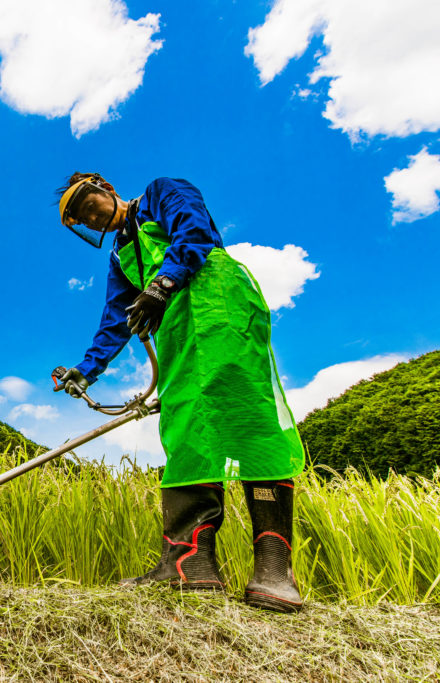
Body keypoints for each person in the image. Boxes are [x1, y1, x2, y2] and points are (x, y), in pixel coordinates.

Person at [55, 172, 305, 613]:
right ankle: (190, 564)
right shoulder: (119, 256)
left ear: (106, 189)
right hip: (178, 336)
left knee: (249, 420)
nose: (94, 219)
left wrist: (163, 283)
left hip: (219, 310)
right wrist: (85, 370)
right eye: (85, 221)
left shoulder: (160, 192)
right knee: (185, 433)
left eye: (92, 207)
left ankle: (273, 570)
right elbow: (116, 319)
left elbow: (195, 231)